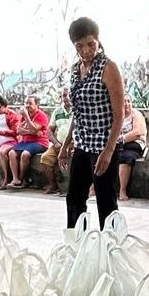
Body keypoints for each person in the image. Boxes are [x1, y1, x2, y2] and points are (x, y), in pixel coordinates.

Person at [58, 16, 125, 228]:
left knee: (106, 201)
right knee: (74, 198)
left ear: (98, 40)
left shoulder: (109, 67)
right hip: (83, 143)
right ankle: (77, 244)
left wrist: (108, 151)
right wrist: (67, 142)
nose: (86, 50)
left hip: (105, 142)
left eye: (91, 44)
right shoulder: (75, 70)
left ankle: (111, 249)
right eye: (80, 46)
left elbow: (119, 114)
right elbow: (77, 112)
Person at [7, 95, 49, 189]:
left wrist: (27, 118)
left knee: (25, 155)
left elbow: (35, 128)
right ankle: (15, 179)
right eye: (26, 103)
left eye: (30, 103)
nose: (27, 105)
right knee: (11, 153)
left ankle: (22, 179)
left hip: (39, 142)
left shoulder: (41, 115)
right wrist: (31, 131)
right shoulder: (25, 115)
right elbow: (18, 130)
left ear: (37, 104)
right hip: (25, 141)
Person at [38, 87, 70, 194]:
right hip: (59, 144)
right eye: (65, 95)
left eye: (69, 94)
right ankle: (53, 185)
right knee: (45, 158)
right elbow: (49, 130)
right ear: (61, 97)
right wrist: (56, 143)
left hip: (75, 144)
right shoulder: (57, 111)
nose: (67, 98)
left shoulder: (79, 110)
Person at [116, 95, 147, 201]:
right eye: (124, 101)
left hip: (135, 145)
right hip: (120, 144)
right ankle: (94, 188)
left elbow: (138, 132)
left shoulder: (136, 115)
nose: (127, 104)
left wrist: (121, 139)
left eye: (128, 101)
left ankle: (122, 190)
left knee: (125, 157)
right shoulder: (116, 114)